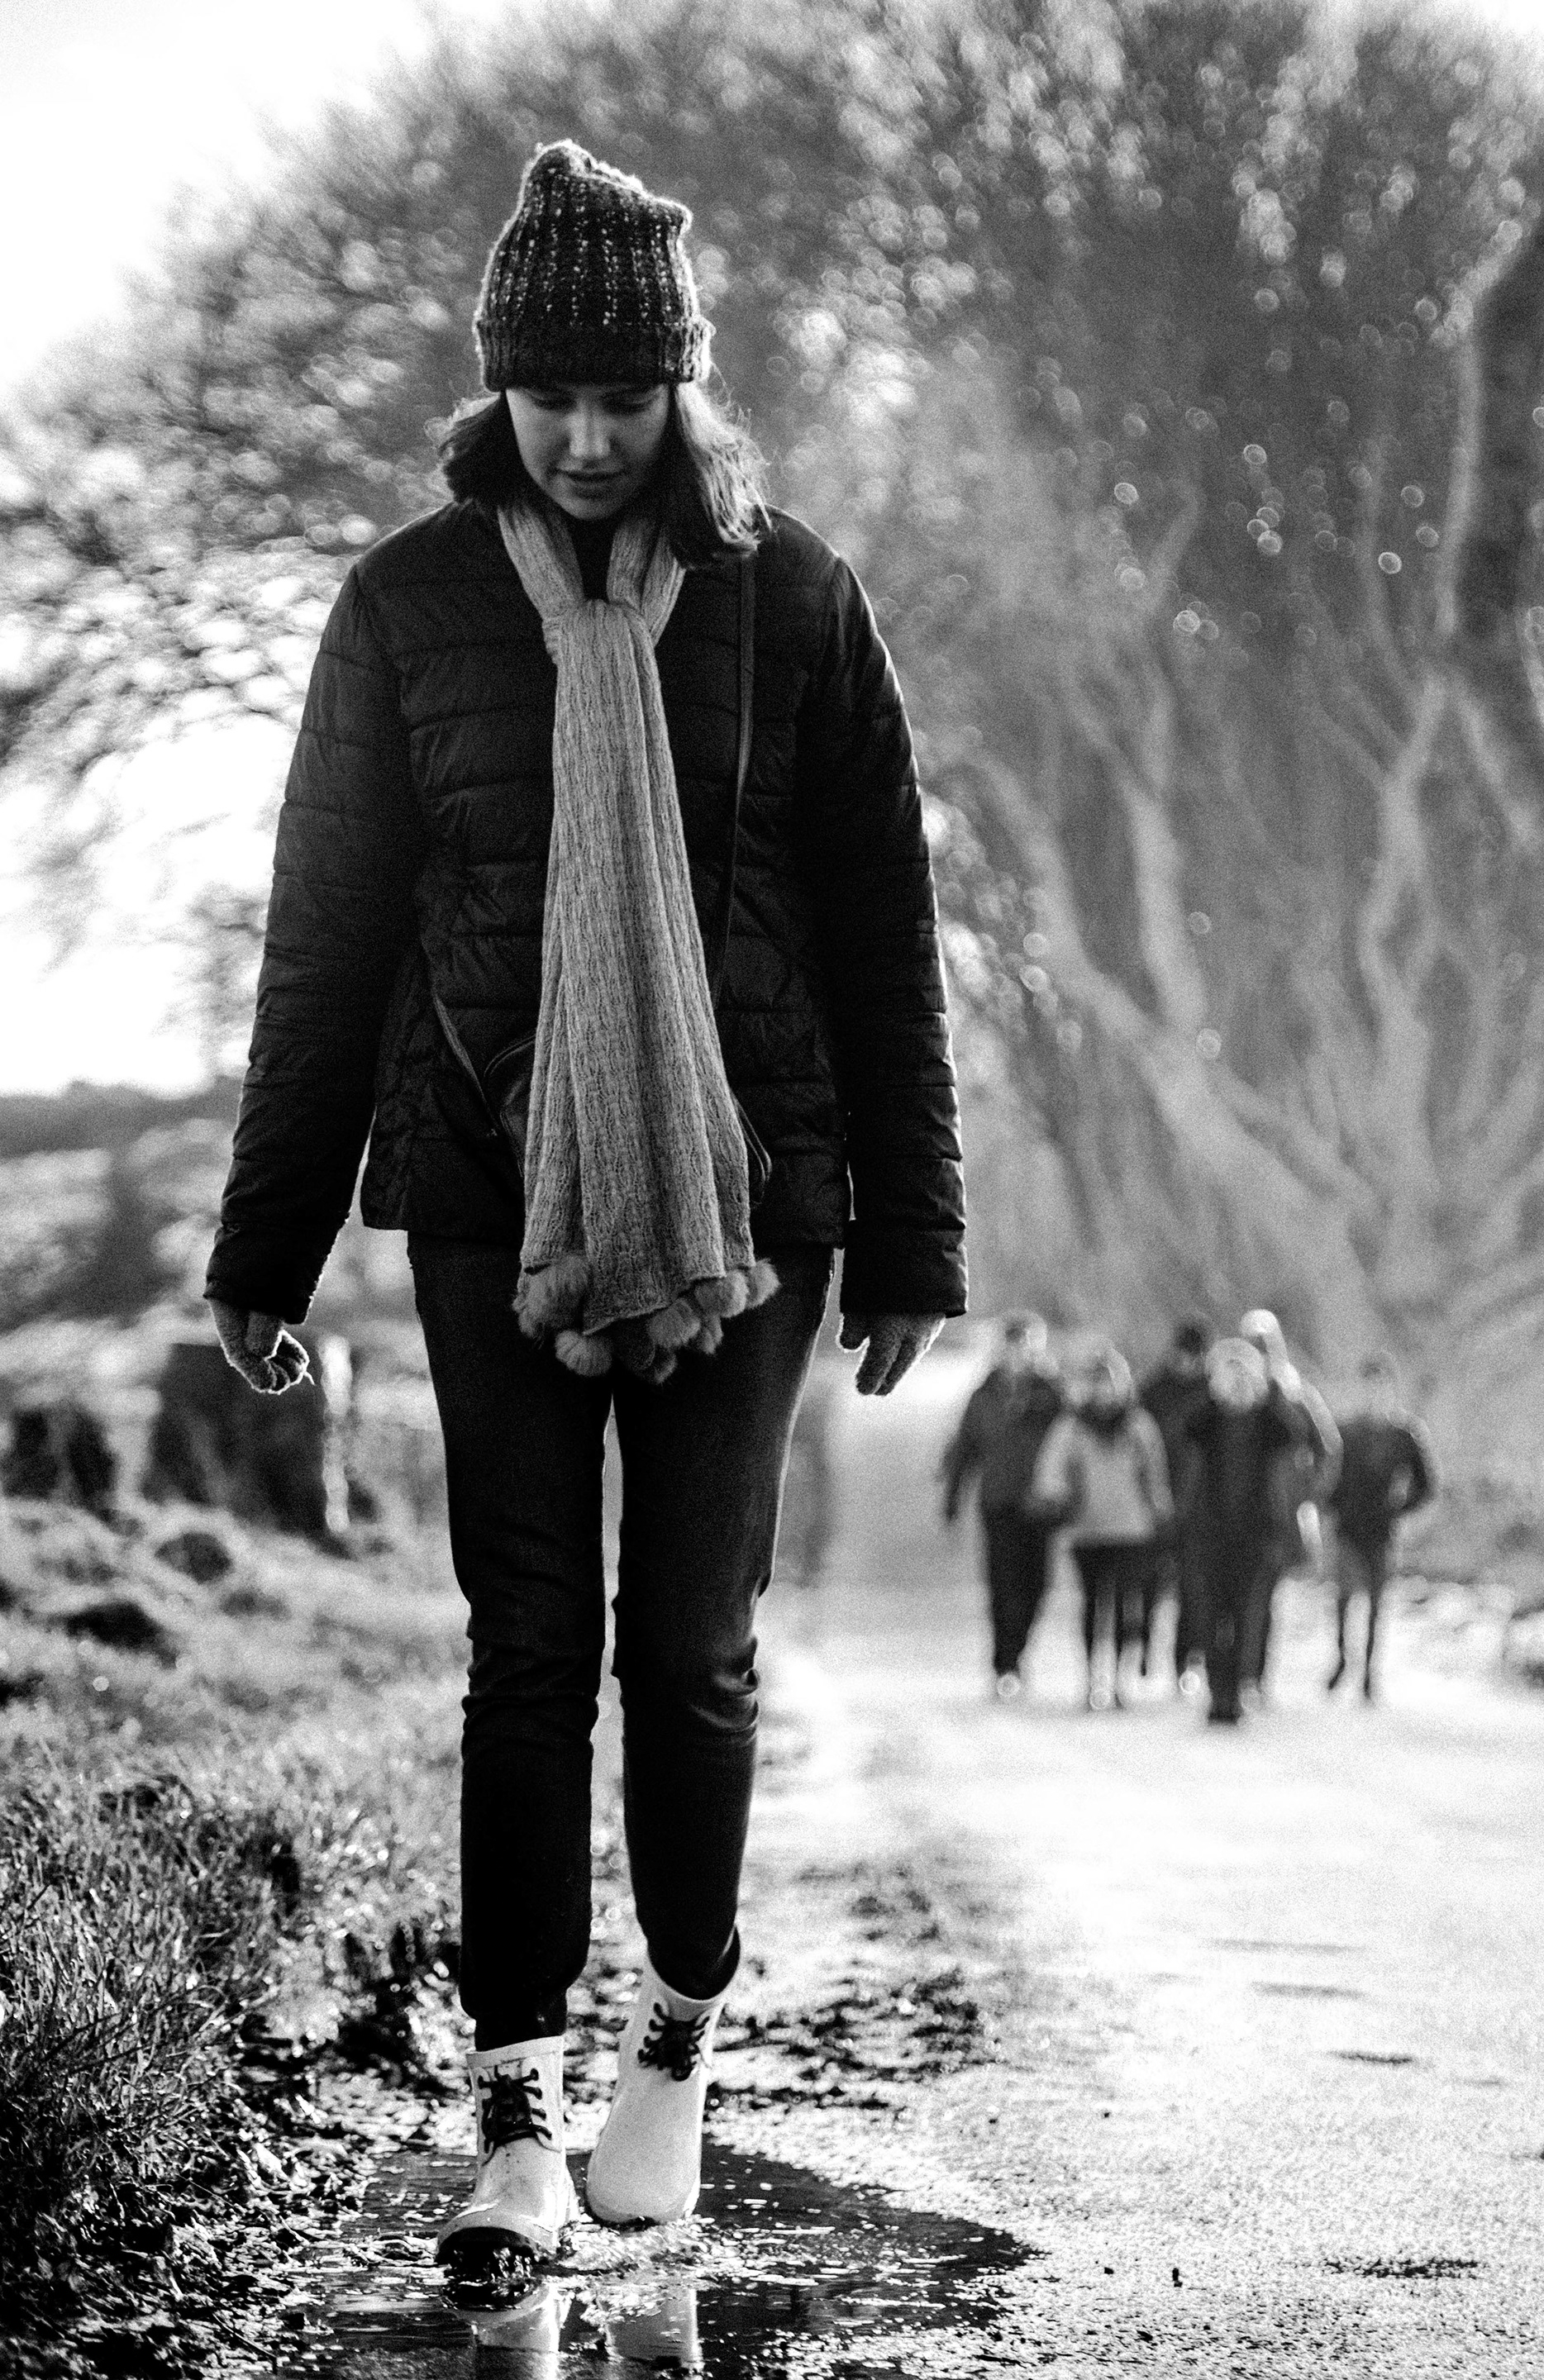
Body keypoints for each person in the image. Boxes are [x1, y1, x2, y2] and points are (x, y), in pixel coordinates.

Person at [203, 142, 966, 2268]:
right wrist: (266, 1244)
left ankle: (676, 2057)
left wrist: (914, 1239)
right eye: (552, 396)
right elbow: (328, 937)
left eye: (628, 396)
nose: (591, 436)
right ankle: (517, 2116)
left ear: (684, 389)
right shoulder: (406, 606)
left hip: (755, 1196)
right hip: (485, 1186)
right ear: (499, 391)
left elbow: (882, 934)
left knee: (691, 1647)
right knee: (526, 1645)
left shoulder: (793, 597)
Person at [1027, 1345, 1173, 1711]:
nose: (1104, 1390)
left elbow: (1155, 1475)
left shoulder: (1138, 1425)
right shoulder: (1072, 1426)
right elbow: (1051, 1472)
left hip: (1131, 1530)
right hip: (1087, 1530)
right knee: (1093, 1605)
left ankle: (1121, 1680)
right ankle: (1093, 1680)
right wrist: (1055, 1500)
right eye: (1097, 1382)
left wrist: (1162, 1513)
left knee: (1128, 1607)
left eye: (1110, 1382)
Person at [1180, 1338, 1308, 1726]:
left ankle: (1237, 1690)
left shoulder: (1268, 1422)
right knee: (1211, 1617)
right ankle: (1217, 1693)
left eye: (1243, 1375)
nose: (1236, 1385)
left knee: (1248, 1617)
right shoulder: (1208, 1421)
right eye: (1228, 1375)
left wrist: (1267, 1392)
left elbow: (1293, 1432)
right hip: (1211, 1535)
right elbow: (1188, 1428)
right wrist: (1215, 1394)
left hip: (1258, 1536)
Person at [940, 1312, 1065, 1697]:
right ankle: (1005, 1664)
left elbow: (1073, 1447)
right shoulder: (983, 1395)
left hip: (1040, 1505)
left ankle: (1019, 1651)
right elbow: (965, 1449)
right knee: (1002, 1585)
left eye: (1027, 1345)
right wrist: (952, 1502)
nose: (1019, 1353)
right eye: (1013, 1344)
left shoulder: (1053, 1395)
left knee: (1038, 1584)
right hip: (998, 1503)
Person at [1237, 1308, 1341, 1697]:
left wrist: (1309, 1493)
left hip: (1278, 1514)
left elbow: (1328, 1447)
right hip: (1236, 1509)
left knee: (1261, 1595)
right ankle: (1236, 1673)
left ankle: (1253, 1675)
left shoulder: (1295, 1396)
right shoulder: (1234, 1394)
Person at [1327, 1353, 1437, 1701]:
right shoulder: (1345, 1432)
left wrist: (1400, 1510)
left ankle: (1369, 1674)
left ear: (1391, 1388)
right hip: (1348, 1527)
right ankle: (1342, 1658)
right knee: (1343, 1598)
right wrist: (1333, 1507)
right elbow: (1328, 1478)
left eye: (1381, 1384)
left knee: (1376, 1603)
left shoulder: (1405, 1435)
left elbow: (1426, 1484)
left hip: (1382, 1530)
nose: (1375, 1391)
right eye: (1370, 1384)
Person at [1139, 1318, 1211, 1684]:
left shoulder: (1211, 1393)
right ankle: (1144, 1650)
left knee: (1192, 1590)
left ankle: (1186, 1660)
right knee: (1147, 1585)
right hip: (1155, 1501)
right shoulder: (1153, 1390)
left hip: (1198, 1505)